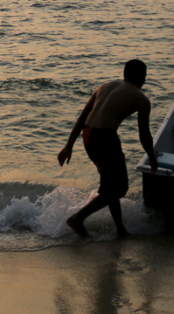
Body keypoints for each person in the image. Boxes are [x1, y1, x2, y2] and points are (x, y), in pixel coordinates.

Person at [57, 59, 158, 238]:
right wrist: (152, 157)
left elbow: (81, 119)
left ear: (124, 73)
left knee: (111, 185)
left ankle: (120, 229)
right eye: (145, 76)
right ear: (141, 77)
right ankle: (77, 218)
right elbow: (144, 134)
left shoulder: (104, 87)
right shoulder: (141, 99)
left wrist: (68, 146)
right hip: (105, 138)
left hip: (88, 136)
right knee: (119, 188)